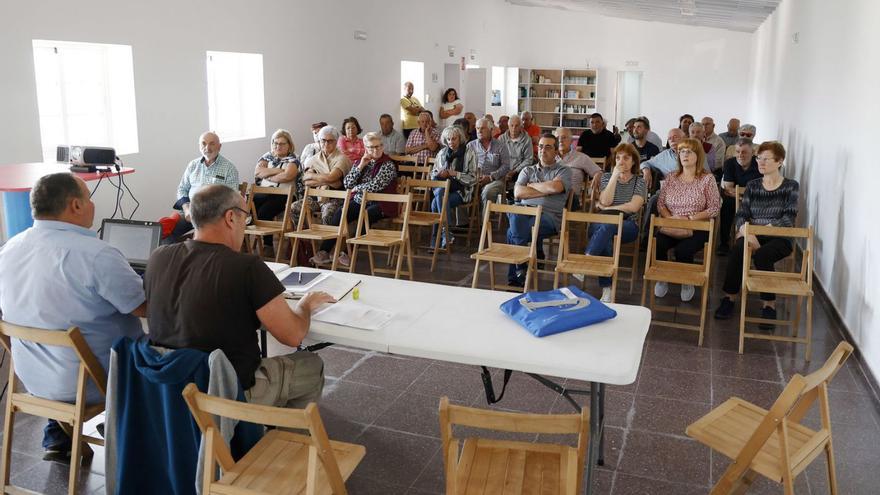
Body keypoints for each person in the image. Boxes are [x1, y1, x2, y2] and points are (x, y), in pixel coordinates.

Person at [145, 185, 334, 411]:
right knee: (311, 364)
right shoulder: (246, 267)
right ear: (231, 217)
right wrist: (305, 305)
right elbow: (293, 336)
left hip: (170, 386)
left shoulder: (158, 257)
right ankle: (287, 438)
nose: (245, 224)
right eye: (245, 217)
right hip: (228, 390)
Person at [0, 173, 146, 460]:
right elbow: (143, 307)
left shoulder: (8, 250)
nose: (92, 205)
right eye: (89, 198)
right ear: (75, 206)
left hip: (34, 379)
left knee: (62, 333)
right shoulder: (96, 254)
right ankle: (130, 427)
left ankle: (59, 436)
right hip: (97, 379)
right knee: (165, 343)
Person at [714, 141, 799, 329]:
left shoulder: (791, 186)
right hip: (753, 234)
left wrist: (761, 230)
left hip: (780, 237)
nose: (760, 162)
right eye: (759, 157)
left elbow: (788, 217)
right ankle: (729, 297)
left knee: (763, 255)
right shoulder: (752, 185)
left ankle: (769, 303)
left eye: (766, 158)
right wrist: (746, 231)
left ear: (779, 162)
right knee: (737, 250)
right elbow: (742, 214)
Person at [311, 133, 398, 267]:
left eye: (378, 146)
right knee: (341, 212)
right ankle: (324, 251)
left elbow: (375, 186)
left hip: (381, 203)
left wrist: (357, 188)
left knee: (365, 216)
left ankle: (348, 253)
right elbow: (347, 184)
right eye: (371, 147)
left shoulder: (388, 164)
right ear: (365, 148)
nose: (375, 150)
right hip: (360, 200)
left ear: (382, 146)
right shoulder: (360, 162)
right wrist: (360, 166)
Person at [652, 138, 720, 302]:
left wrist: (689, 218)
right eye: (682, 151)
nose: (685, 155)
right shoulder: (671, 177)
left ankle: (686, 281)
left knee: (683, 250)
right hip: (671, 224)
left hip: (697, 227)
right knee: (657, 243)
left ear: (698, 155)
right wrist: (671, 218)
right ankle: (662, 277)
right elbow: (661, 204)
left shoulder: (707, 179)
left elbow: (714, 208)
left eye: (689, 151)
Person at [506, 133, 572, 287]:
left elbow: (555, 187)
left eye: (548, 147)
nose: (543, 150)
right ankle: (522, 268)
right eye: (541, 146)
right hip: (524, 211)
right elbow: (518, 193)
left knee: (512, 232)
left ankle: (518, 273)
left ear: (556, 151)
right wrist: (546, 190)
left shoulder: (564, 171)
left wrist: (531, 185)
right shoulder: (527, 171)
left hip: (548, 216)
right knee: (517, 213)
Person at [586, 143, 646, 302]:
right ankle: (607, 288)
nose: (621, 161)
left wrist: (606, 208)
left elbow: (633, 207)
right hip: (601, 223)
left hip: (628, 225)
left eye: (626, 158)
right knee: (606, 233)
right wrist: (613, 176)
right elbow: (605, 199)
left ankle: (588, 261)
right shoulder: (606, 177)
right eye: (618, 157)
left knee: (608, 226)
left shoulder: (639, 182)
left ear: (633, 161)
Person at [164, 131, 240, 244]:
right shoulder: (193, 165)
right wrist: (186, 209)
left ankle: (199, 257)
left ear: (219, 146)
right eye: (203, 144)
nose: (207, 147)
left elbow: (231, 198)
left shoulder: (229, 168)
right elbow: (182, 189)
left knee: (204, 239)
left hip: (215, 215)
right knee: (164, 231)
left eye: (212, 144)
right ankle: (178, 260)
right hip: (191, 212)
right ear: (199, 146)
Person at [290, 125, 353, 225]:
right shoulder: (314, 159)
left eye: (330, 141)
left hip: (335, 198)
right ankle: (305, 238)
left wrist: (318, 177)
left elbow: (332, 177)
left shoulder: (342, 158)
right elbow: (306, 180)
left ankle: (329, 240)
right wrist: (329, 180)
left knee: (328, 212)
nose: (326, 144)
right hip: (316, 197)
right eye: (323, 140)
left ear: (336, 142)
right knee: (294, 207)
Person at [430, 125, 477, 248]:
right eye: (448, 139)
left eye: (454, 139)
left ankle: (438, 236)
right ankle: (446, 233)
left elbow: (473, 179)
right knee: (440, 193)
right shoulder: (442, 153)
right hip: (443, 189)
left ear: (459, 138)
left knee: (436, 202)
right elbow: (433, 174)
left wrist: (454, 173)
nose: (451, 142)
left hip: (461, 191)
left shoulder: (469, 153)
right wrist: (440, 173)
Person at [717, 138, 761, 255]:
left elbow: (762, 189)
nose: (740, 155)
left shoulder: (759, 164)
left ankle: (752, 240)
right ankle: (724, 243)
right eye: (737, 151)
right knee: (727, 205)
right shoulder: (730, 163)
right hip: (734, 198)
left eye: (744, 152)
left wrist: (743, 194)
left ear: (752, 153)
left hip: (755, 200)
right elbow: (728, 188)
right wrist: (743, 195)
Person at [252, 129, 300, 224]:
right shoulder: (267, 156)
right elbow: (258, 172)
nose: (278, 146)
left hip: (284, 195)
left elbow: (287, 176)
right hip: (266, 192)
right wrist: (279, 171)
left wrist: (267, 176)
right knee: (248, 206)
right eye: (275, 143)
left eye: (282, 144)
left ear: (289, 145)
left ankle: (266, 239)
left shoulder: (293, 159)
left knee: (264, 213)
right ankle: (245, 237)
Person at [468, 118, 510, 209]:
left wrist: (491, 177)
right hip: (474, 179)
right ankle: (463, 223)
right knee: (459, 188)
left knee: (488, 191)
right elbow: (466, 165)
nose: (479, 131)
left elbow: (506, 166)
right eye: (477, 128)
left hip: (495, 180)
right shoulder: (470, 145)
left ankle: (486, 222)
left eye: (482, 128)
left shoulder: (501, 145)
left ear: (491, 130)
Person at [555, 127, 600, 209]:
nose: (560, 140)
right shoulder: (550, 157)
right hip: (551, 193)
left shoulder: (581, 157)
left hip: (571, 197)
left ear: (571, 141)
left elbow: (598, 172)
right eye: (557, 138)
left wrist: (597, 175)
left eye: (564, 137)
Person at [500, 114, 534, 184]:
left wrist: (514, 171)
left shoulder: (527, 140)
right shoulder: (501, 139)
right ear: (508, 126)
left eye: (517, 126)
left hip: (519, 171)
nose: (514, 128)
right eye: (511, 125)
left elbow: (528, 160)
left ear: (521, 127)